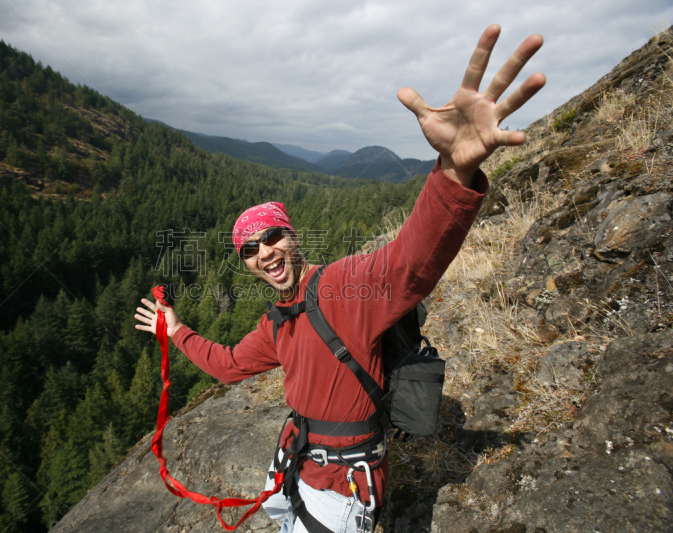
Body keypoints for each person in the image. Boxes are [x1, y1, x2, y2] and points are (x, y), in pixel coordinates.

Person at [134, 24, 545, 533]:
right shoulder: (277, 323)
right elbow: (230, 366)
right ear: (244, 262)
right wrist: (175, 329)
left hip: (342, 490)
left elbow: (409, 265)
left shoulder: (344, 287)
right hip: (296, 465)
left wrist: (453, 174)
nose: (265, 252)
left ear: (293, 237)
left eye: (273, 237)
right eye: (250, 248)